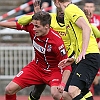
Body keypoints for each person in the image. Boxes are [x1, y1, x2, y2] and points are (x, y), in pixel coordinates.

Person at [0, 11, 73, 100]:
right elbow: (16, 25)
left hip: (54, 71)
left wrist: (62, 84)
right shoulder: (33, 28)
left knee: (56, 94)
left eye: (37, 26)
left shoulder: (57, 42)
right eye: (34, 25)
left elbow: (67, 67)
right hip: (36, 67)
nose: (34, 29)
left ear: (46, 26)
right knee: (9, 89)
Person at [52, 0, 100, 100]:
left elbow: (86, 28)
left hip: (89, 54)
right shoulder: (67, 13)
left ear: (56, 2)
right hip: (81, 56)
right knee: (66, 94)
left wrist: (83, 51)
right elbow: (76, 39)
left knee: (73, 90)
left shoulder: (70, 9)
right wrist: (73, 57)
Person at [83, 0, 100, 95]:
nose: (89, 8)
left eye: (91, 6)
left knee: (95, 80)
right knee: (86, 80)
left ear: (94, 8)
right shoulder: (81, 19)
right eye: (87, 6)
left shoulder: (98, 19)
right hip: (84, 51)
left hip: (96, 52)